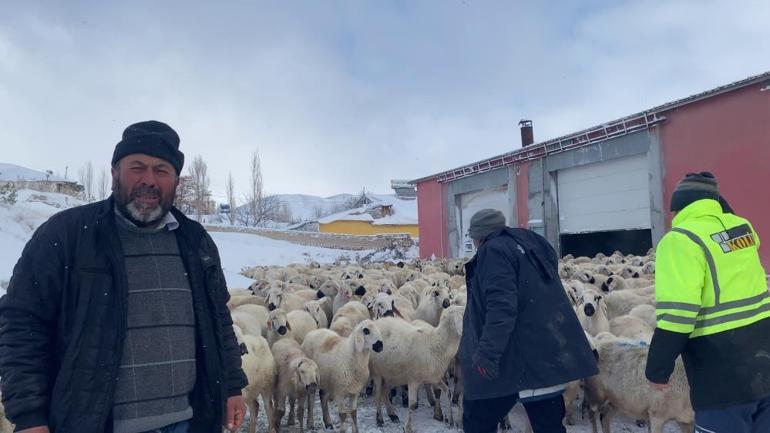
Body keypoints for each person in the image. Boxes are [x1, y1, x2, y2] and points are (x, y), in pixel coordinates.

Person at [0, 121, 248, 433]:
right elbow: (23, 322)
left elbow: (218, 320)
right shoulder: (67, 235)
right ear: (115, 172)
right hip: (94, 423)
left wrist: (231, 386)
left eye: (161, 170)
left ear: (176, 180)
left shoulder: (195, 240)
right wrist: (30, 417)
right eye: (137, 167)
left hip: (188, 421)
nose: (149, 180)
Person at [646, 171, 770, 433]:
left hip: (721, 377)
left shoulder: (681, 240)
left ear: (678, 208)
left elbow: (678, 315)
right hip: (764, 365)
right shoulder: (742, 228)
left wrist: (657, 369)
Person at [458, 209, 598, 433]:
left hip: (515, 362)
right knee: (549, 425)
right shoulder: (526, 244)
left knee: (477, 420)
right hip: (544, 357)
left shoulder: (493, 252)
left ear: (479, 236)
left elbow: (501, 308)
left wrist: (487, 354)